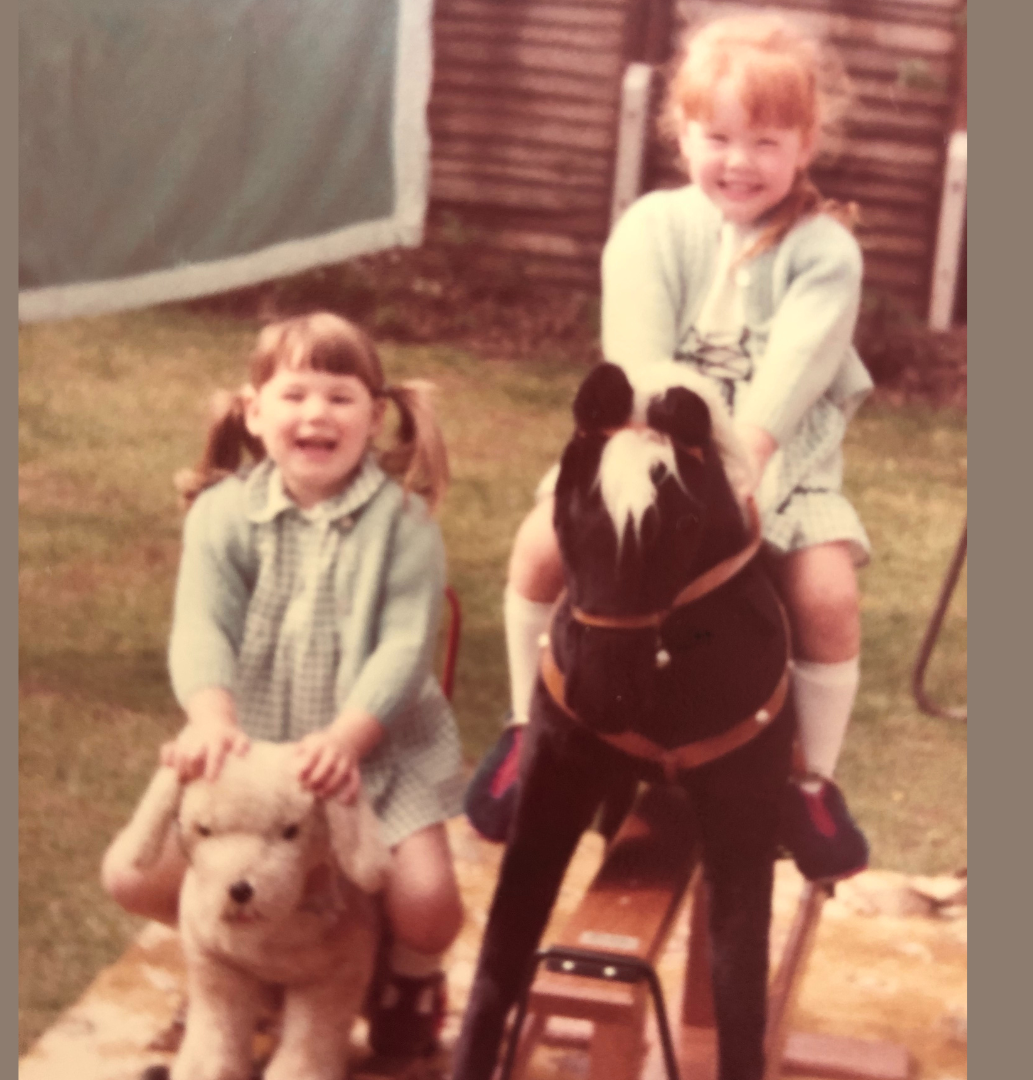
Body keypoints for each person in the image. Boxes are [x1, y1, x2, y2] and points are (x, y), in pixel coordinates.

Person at [471, 11, 871, 882]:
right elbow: (640, 361)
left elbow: (787, 384)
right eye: (716, 136)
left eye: (765, 141)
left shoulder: (825, 252)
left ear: (806, 143)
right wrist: (672, 465)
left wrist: (743, 465)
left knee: (830, 597)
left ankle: (811, 781)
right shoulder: (653, 227)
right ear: (680, 133)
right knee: (541, 545)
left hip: (775, 465)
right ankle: (520, 729)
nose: (738, 160)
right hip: (646, 451)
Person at [102, 312, 466, 1057]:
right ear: (254, 409)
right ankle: (243, 961)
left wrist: (346, 739)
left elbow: (403, 648)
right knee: (131, 876)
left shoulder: (403, 524)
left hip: (373, 754)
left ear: (374, 413)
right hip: (257, 767)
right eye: (295, 393)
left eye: (339, 396)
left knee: (428, 904)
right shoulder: (223, 513)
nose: (316, 414)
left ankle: (409, 978)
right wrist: (211, 718)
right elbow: (201, 627)